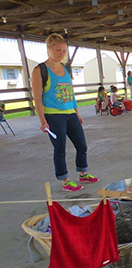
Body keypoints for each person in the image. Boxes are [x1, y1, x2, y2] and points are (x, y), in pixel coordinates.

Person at [31, 33, 99, 192]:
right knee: (60, 148)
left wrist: (77, 112)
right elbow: (37, 97)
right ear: (49, 49)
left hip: (70, 113)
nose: (61, 54)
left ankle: (83, 173)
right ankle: (65, 180)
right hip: (53, 115)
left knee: (81, 145)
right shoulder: (40, 70)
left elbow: (70, 92)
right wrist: (42, 120)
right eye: (57, 50)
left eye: (63, 51)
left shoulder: (65, 68)